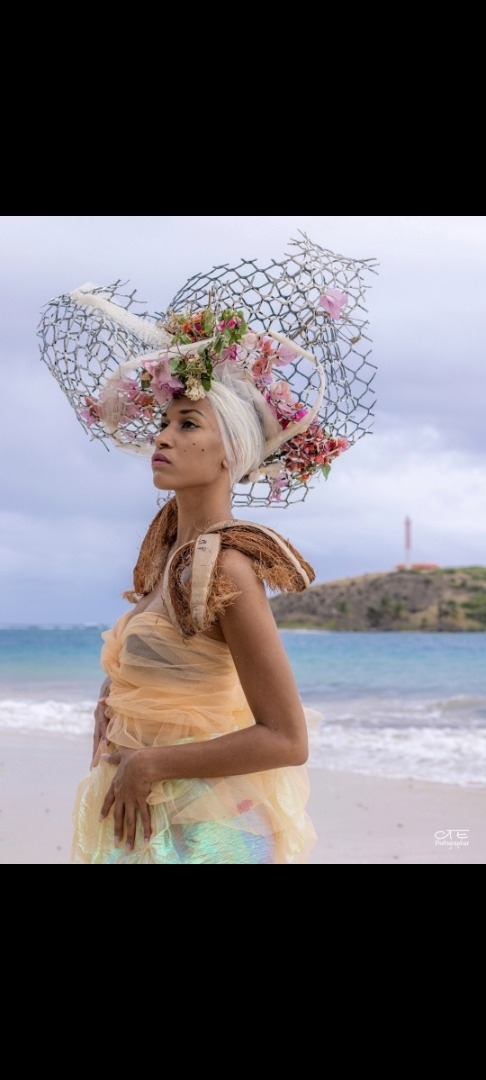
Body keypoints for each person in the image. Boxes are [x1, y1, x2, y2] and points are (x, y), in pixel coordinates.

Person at [38, 236, 377, 863]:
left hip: (212, 833)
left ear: (231, 452)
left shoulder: (227, 567)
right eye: (165, 423)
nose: (164, 437)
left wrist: (149, 765)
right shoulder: (167, 559)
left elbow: (287, 738)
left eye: (188, 424)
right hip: (154, 825)